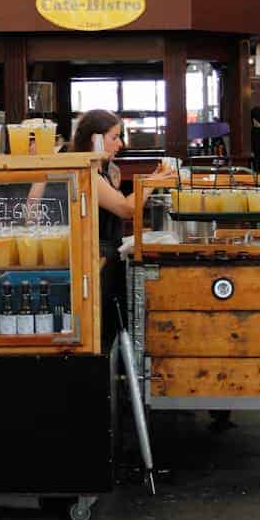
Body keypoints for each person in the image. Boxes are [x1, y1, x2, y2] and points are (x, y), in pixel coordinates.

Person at [70, 109, 170, 347]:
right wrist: (152, 182)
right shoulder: (87, 173)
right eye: (114, 137)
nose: (121, 144)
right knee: (103, 329)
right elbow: (126, 209)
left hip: (107, 255)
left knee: (113, 327)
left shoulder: (103, 171)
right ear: (94, 139)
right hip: (98, 260)